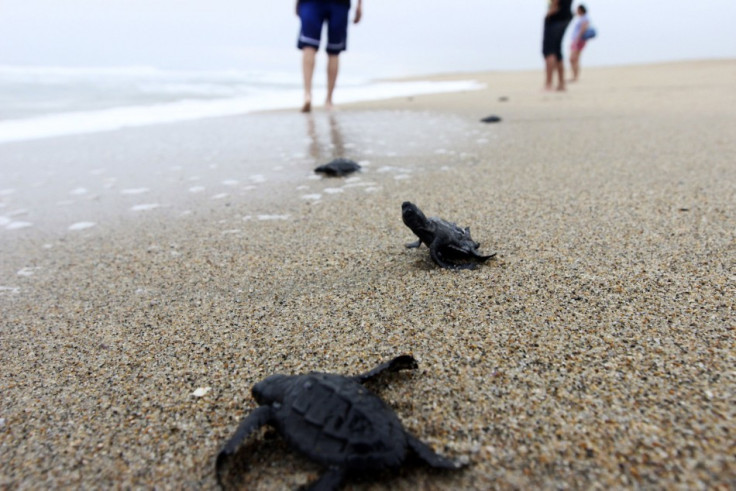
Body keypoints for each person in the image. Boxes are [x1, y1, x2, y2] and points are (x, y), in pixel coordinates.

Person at [296, 0, 363, 112]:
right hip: (338, 4)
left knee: (310, 46)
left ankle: (307, 95)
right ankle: (328, 100)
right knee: (334, 51)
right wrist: (359, 5)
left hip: (313, 3)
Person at [542, 0, 573, 91]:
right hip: (565, 15)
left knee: (549, 51)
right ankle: (561, 84)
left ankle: (549, 84)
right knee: (557, 50)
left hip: (556, 16)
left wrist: (552, 8)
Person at [569, 5, 590, 82]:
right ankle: (574, 76)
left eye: (577, 10)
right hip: (577, 40)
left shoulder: (585, 18)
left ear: (581, 10)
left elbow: (583, 29)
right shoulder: (581, 18)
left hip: (578, 40)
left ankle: (575, 77)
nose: (576, 11)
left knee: (573, 58)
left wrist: (577, 39)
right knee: (574, 59)